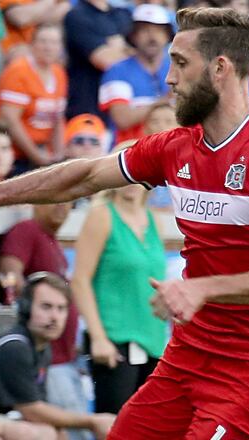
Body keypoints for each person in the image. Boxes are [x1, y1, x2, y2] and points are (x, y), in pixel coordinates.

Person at [0, 8, 249, 438]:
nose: (169, 79)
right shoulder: (177, 146)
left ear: (220, 68)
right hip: (189, 354)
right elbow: (85, 174)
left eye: (181, 63)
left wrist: (202, 287)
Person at [71, 141, 168, 414]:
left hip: (152, 340)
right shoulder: (102, 216)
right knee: (115, 425)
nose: (132, 179)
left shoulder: (154, 221)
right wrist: (99, 337)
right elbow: (80, 280)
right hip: (114, 340)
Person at [0, 272, 115, 439]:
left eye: (61, 309)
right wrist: (92, 421)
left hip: (6, 419)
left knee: (57, 433)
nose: (55, 317)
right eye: (46, 307)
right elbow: (30, 409)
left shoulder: (41, 347)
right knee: (43, 434)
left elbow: (39, 407)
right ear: (26, 308)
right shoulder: (15, 347)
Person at [0, 24, 67, 172]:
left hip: (42, 151)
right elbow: (10, 119)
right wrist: (36, 156)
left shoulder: (59, 73)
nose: (48, 47)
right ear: (32, 44)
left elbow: (58, 118)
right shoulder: (19, 70)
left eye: (54, 42)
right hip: (15, 155)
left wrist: (58, 155)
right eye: (43, 41)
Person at [98, 4, 173, 144]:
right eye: (145, 30)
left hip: (169, 153)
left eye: (158, 31)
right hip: (127, 154)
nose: (152, 37)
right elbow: (122, 119)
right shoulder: (117, 71)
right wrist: (163, 101)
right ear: (133, 36)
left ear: (167, 36)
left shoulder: (178, 69)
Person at [63, 0, 132, 119]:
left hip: (123, 103)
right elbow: (105, 60)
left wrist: (116, 47)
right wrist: (126, 48)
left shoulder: (123, 14)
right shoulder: (77, 15)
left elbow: (144, 52)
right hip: (87, 107)